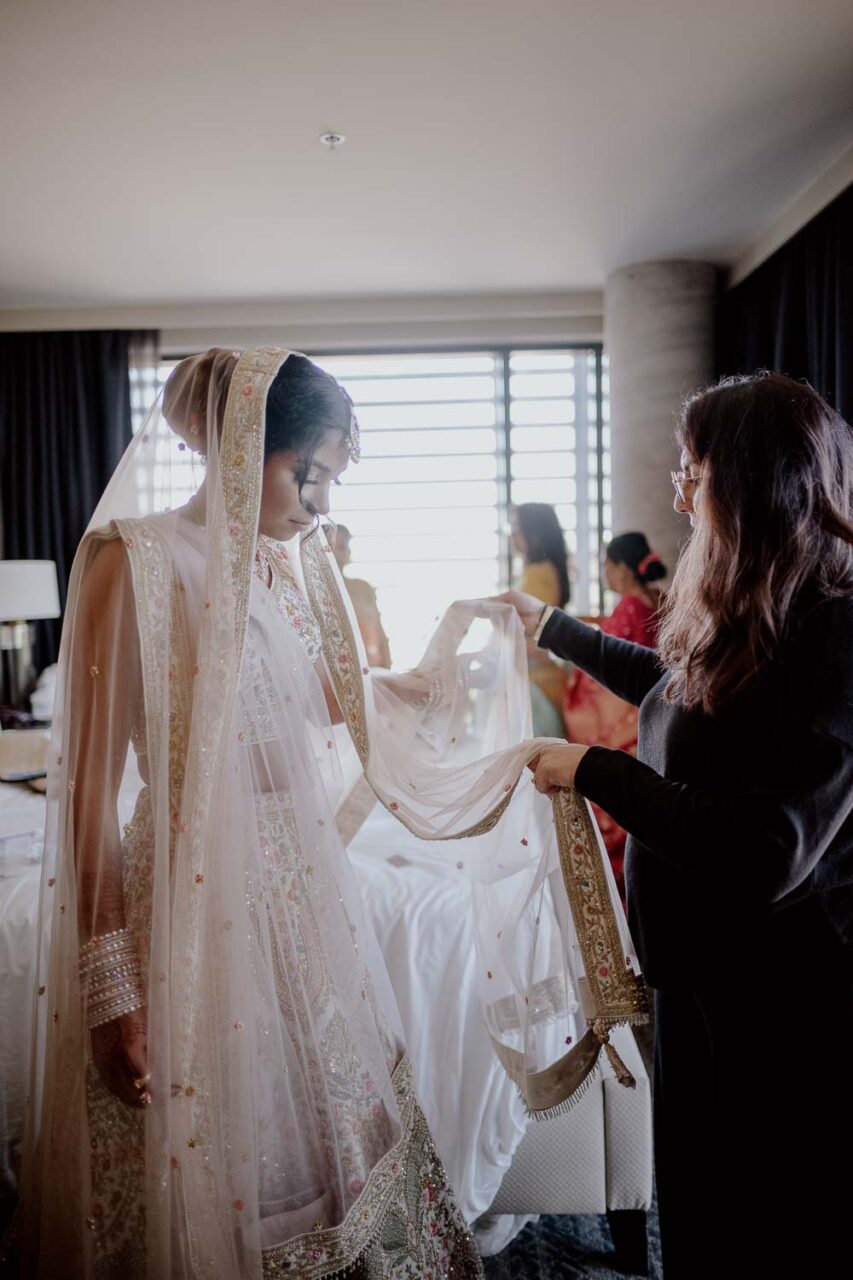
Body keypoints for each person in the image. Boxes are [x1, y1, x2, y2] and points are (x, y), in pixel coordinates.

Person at [11, 347, 646, 1278]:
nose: (321, 507)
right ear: (241, 445)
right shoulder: (136, 562)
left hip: (305, 894)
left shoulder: (293, 571)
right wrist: (113, 989)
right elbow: (90, 792)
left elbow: (338, 707)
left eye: (332, 483)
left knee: (332, 1132)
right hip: (188, 903)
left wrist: (449, 664)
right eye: (310, 477)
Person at [501, 372, 853, 1280]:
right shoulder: (752, 608)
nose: (677, 490)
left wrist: (596, 770)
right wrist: (553, 629)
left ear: (749, 481)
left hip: (780, 1000)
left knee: (762, 1220)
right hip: (700, 980)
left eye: (691, 469)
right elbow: (671, 693)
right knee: (698, 1213)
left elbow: (764, 847)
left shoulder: (835, 631)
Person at [563, 532, 666, 899]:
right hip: (652, 718)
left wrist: (574, 680)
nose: (604, 572)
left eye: (607, 564)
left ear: (621, 569)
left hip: (624, 719)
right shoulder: (656, 601)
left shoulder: (627, 609)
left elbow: (601, 684)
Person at [510, 503, 570, 736]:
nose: (512, 535)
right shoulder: (540, 571)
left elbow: (534, 634)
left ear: (533, 533)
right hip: (538, 677)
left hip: (536, 683)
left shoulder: (538, 574)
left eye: (517, 528)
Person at [331, 524, 392, 668]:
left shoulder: (363, 587)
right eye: (331, 547)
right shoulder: (315, 591)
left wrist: (387, 667)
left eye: (342, 546)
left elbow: (379, 631)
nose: (336, 553)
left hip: (374, 669)